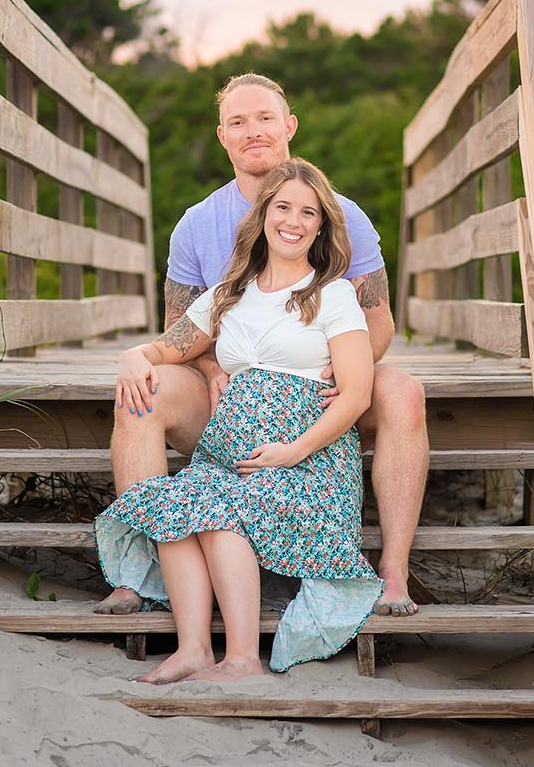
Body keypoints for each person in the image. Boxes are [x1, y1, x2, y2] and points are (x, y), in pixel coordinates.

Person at [96, 73, 429, 618]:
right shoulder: (197, 226)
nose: (253, 131)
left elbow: (379, 321)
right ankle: (136, 573)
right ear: (222, 136)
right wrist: (206, 368)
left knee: (404, 394)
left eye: (265, 118)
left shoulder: (341, 217)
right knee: (143, 393)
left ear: (289, 126)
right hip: (229, 390)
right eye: (238, 122)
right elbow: (181, 330)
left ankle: (393, 572)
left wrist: (338, 373)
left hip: (320, 386)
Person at [95, 159, 383, 681]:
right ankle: (193, 651)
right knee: (168, 501)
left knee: (216, 509)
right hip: (232, 462)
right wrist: (133, 357)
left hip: (307, 468)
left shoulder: (333, 295)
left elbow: (357, 396)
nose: (293, 221)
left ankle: (244, 658)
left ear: (321, 225)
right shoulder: (229, 294)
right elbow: (166, 347)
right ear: (263, 215)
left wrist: (293, 450)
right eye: (283, 208)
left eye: (308, 212)